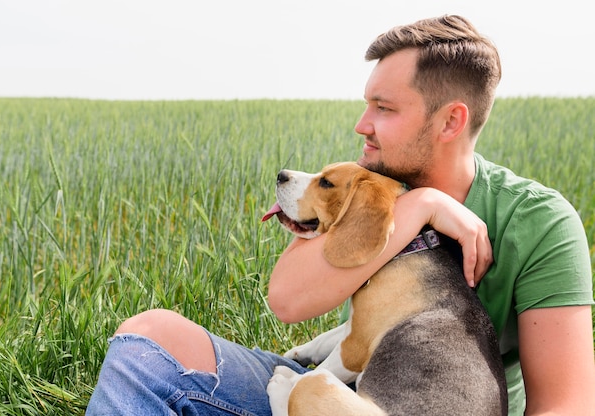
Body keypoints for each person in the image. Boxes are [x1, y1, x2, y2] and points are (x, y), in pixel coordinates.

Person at [86, 15, 595, 415]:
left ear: (450, 121)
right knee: (149, 340)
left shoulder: (540, 222)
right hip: (339, 392)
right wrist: (420, 207)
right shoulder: (359, 181)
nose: (362, 125)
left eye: (384, 108)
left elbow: (567, 405)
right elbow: (287, 299)